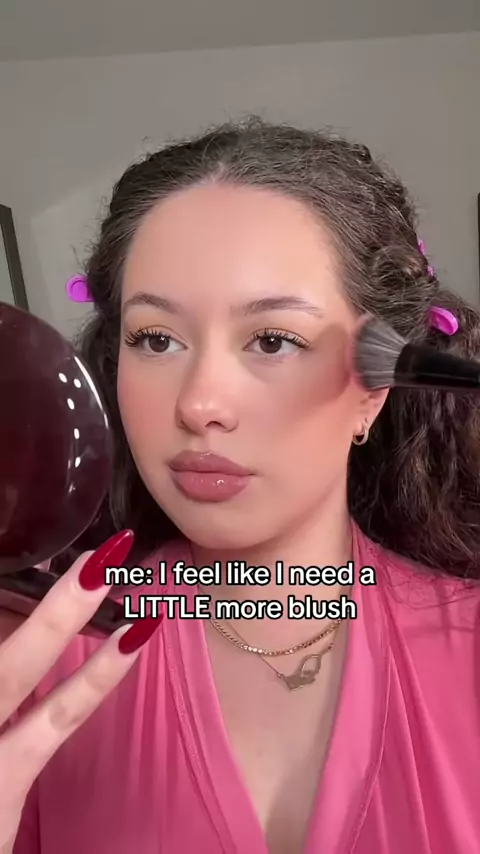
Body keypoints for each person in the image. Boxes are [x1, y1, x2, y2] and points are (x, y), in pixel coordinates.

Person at [1, 117, 479, 854]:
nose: (199, 405)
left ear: (373, 388)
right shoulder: (27, 662)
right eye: (156, 339)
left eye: (273, 340)